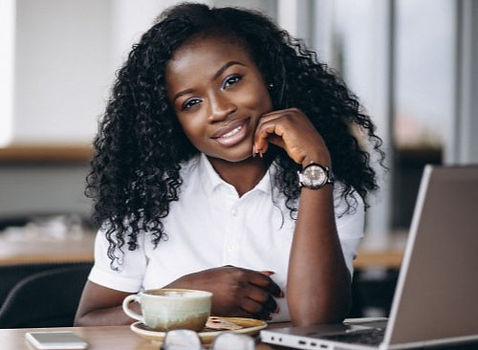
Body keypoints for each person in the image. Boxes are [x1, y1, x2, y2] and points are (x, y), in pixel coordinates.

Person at [74, 3, 384, 327]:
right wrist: (184, 296)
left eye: (232, 80)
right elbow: (89, 321)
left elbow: (317, 321)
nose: (219, 110)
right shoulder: (144, 201)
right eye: (191, 103)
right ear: (172, 120)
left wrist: (315, 165)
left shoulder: (327, 190)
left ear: (269, 76)